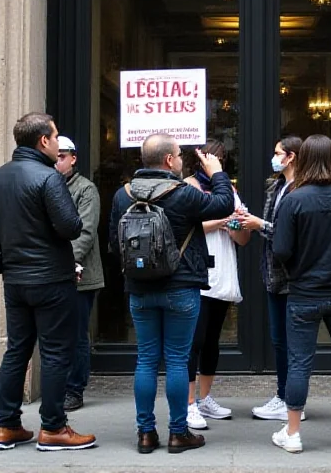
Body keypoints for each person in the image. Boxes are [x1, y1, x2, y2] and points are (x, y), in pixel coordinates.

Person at [108, 134, 234, 455]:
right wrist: (217, 171)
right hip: (181, 286)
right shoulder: (183, 194)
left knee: (147, 360)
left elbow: (114, 243)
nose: (181, 160)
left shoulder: (122, 195)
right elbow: (223, 204)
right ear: (168, 161)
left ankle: (146, 433)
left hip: (140, 288)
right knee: (177, 360)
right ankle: (178, 433)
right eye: (179, 155)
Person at [0, 113, 96, 451]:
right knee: (56, 352)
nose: (59, 143)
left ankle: (7, 425)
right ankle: (54, 428)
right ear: (43, 141)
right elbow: (71, 227)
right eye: (56, 137)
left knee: (17, 349)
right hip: (51, 280)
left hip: (14, 279)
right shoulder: (48, 178)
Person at [270, 134, 331, 453]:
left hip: (303, 293)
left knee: (299, 363)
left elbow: (281, 249)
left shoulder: (293, 200)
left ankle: (294, 433)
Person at [184, 140, 250, 430]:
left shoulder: (229, 190)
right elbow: (187, 225)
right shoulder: (188, 186)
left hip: (222, 271)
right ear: (200, 159)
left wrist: (237, 225)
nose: (218, 161)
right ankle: (188, 404)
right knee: (194, 342)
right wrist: (224, 218)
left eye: (222, 157)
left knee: (212, 341)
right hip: (197, 273)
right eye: (213, 156)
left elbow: (244, 238)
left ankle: (206, 398)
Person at [239, 136, 305, 421]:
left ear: (291, 157)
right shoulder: (276, 186)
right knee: (280, 339)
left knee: (291, 341)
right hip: (272, 273)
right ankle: (284, 395)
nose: (273, 158)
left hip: (292, 276)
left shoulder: (300, 190)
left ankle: (291, 400)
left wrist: (258, 224)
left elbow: (288, 234)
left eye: (277, 153)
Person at [55, 136, 104, 412]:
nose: (57, 161)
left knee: (76, 334)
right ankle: (59, 386)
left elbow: (85, 232)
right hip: (53, 273)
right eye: (54, 156)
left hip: (80, 275)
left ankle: (75, 389)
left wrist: (64, 262)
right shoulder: (47, 186)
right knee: (57, 334)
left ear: (73, 158)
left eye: (62, 156)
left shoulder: (86, 189)